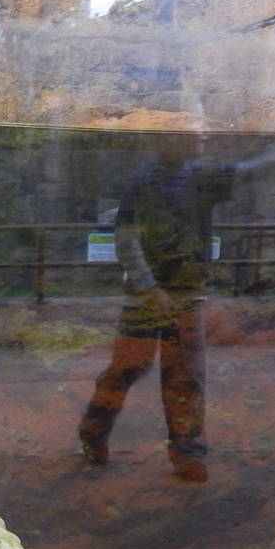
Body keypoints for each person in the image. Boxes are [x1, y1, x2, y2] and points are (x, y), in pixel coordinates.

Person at [78, 132, 235, 482]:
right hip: (145, 299)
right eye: (192, 134)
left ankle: (188, 453)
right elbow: (127, 237)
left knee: (186, 376)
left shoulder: (200, 179)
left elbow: (247, 171)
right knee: (128, 368)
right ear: (169, 141)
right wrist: (149, 287)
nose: (202, 137)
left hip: (185, 297)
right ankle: (94, 433)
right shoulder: (144, 181)